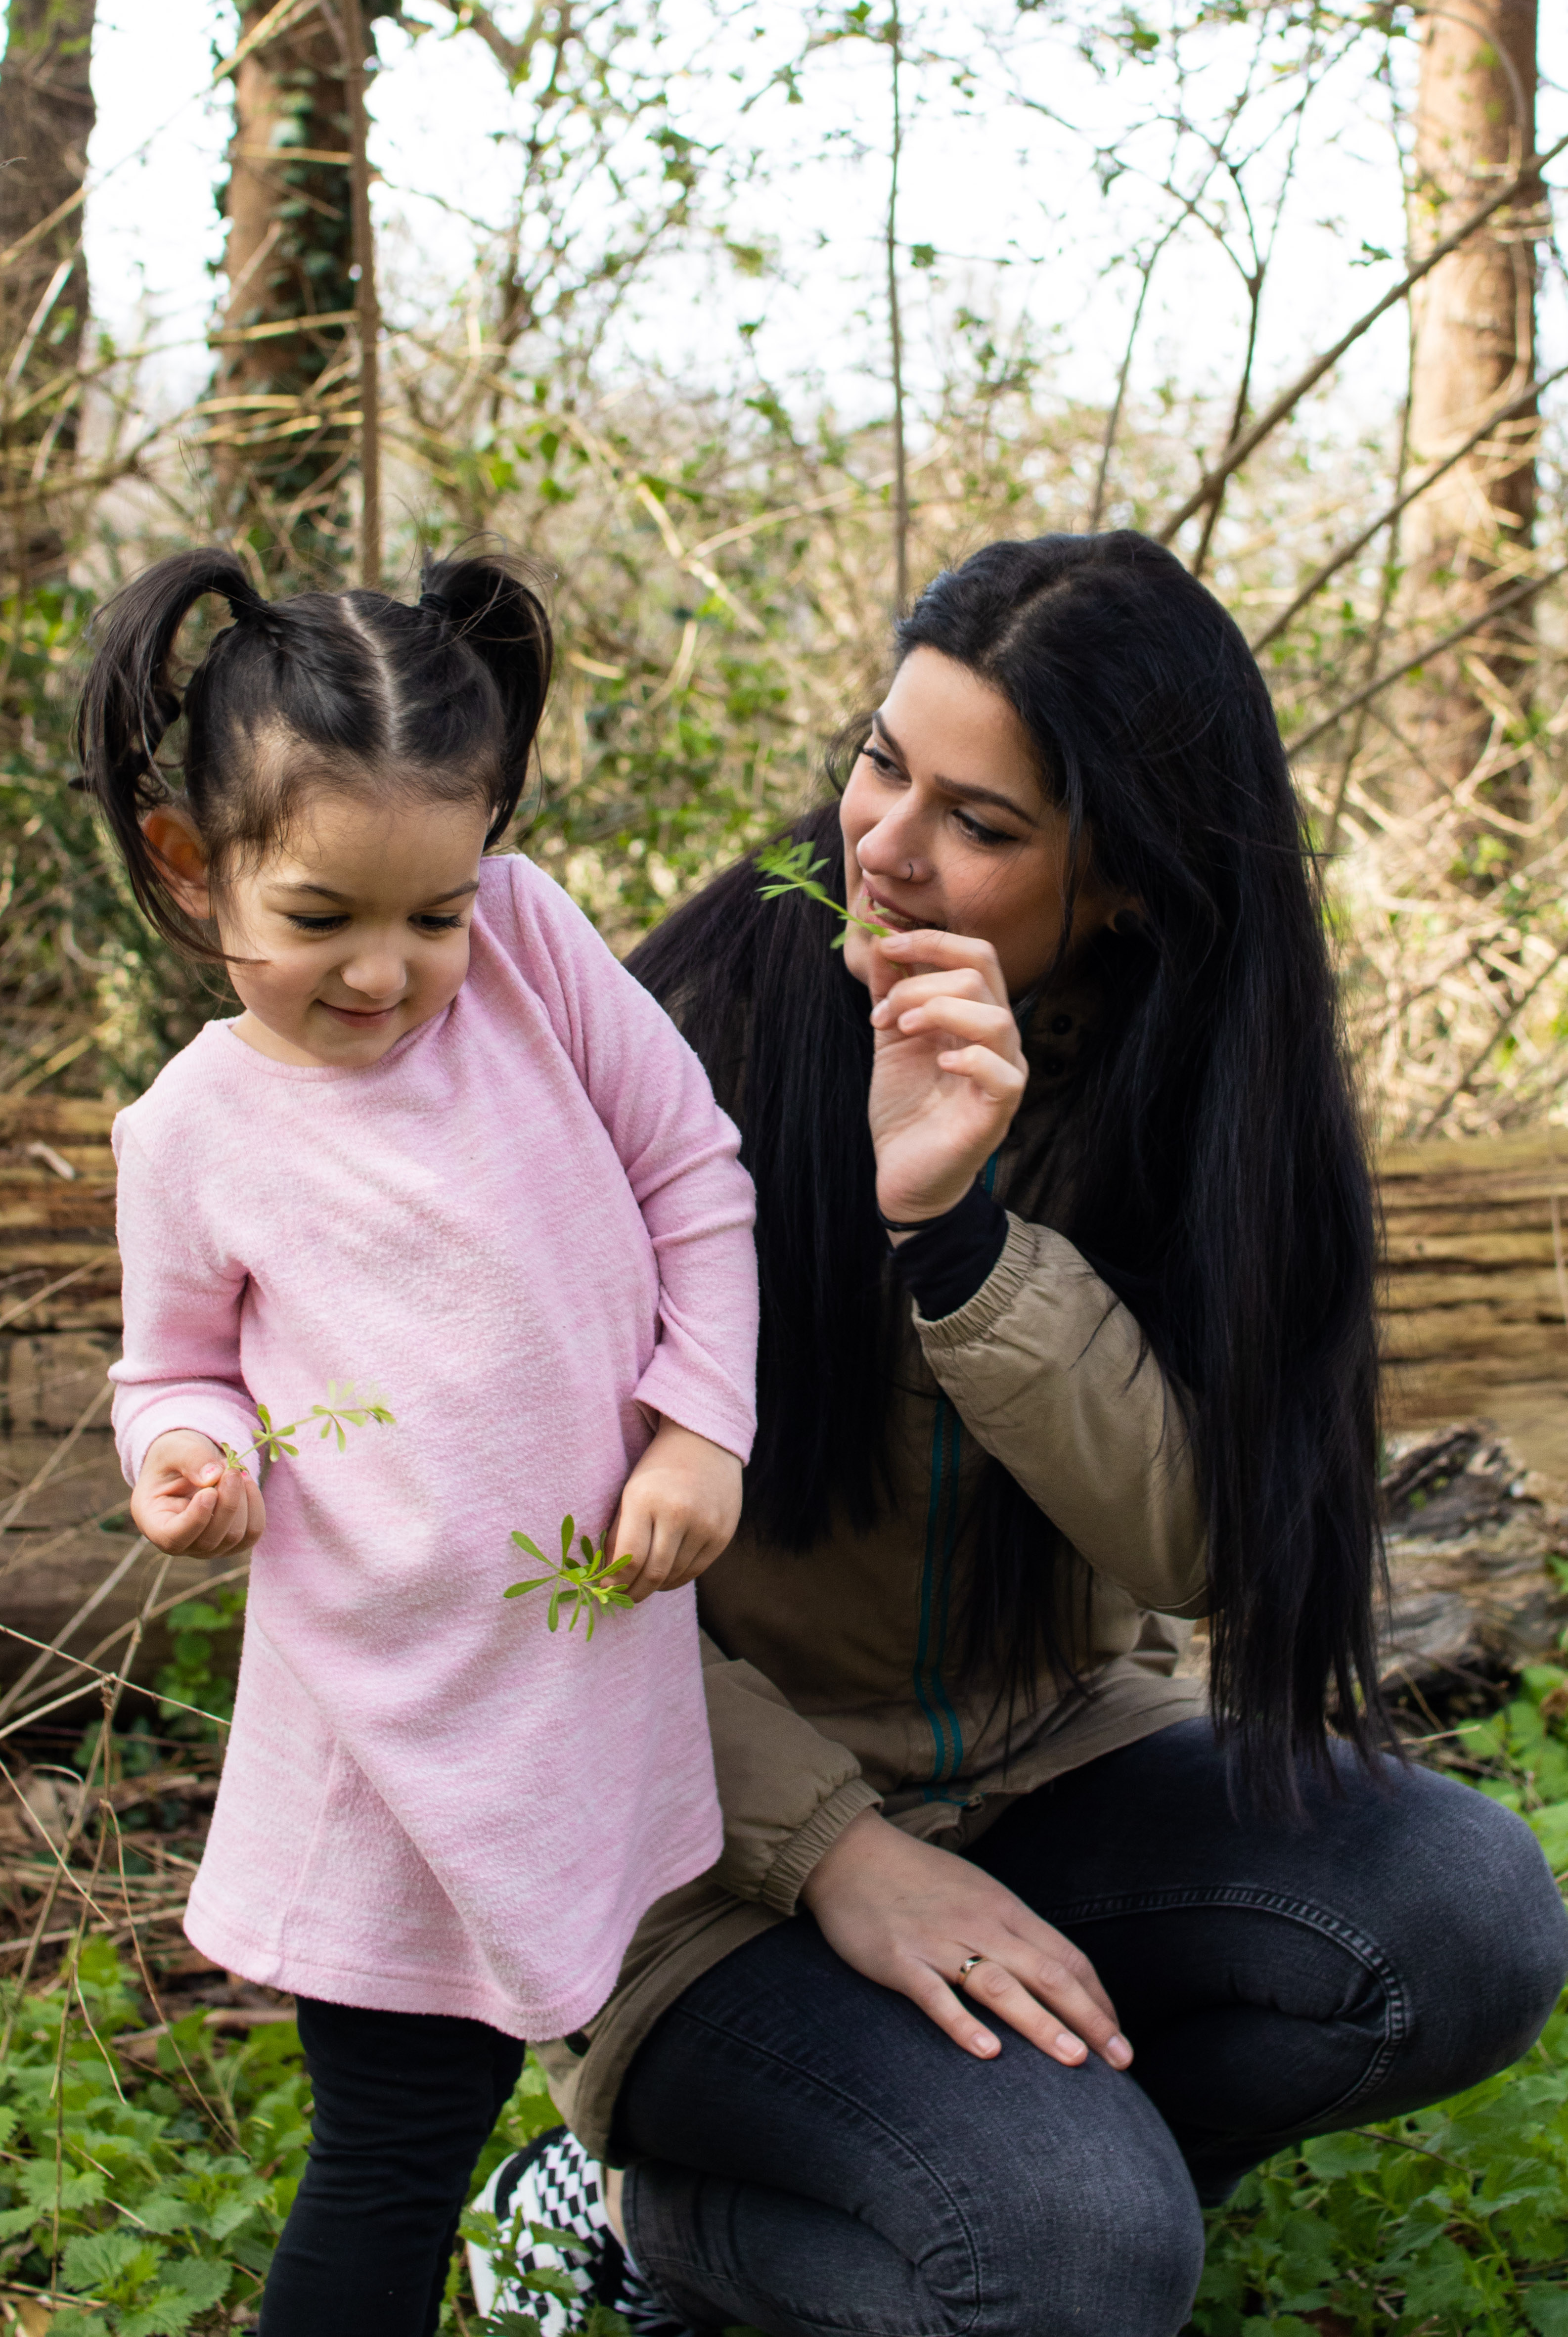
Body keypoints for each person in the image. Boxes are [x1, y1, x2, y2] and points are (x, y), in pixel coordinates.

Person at [469, 531, 1568, 2337]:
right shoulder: (685, 1039)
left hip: (1054, 1768)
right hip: (698, 1855)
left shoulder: (1201, 1098)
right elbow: (536, 1560)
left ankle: (975, 2177)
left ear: (1125, 883)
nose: (882, 844)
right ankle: (635, 2218)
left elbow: (1213, 1554)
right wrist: (834, 1848)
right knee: (1078, 2246)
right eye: (882, 763)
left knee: (1467, 1918)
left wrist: (961, 1243)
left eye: (979, 821)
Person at [79, 547, 759, 2337]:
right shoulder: (194, 1131)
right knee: (391, 2148)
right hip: (385, 1722)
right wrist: (185, 1457)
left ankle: (629, 2223)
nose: (388, 970)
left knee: (618, 2015)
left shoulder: (532, 950)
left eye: (431, 912)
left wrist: (700, 1424)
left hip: (581, 1665)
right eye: (320, 919)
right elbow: (177, 1367)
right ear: (188, 863)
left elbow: (693, 1175)